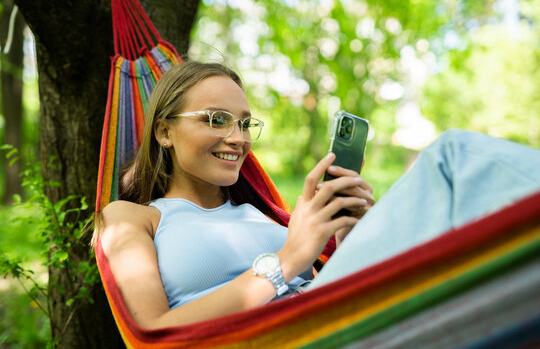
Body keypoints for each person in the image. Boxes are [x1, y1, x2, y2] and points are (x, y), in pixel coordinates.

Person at [94, 61, 540, 330]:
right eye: (215, 119)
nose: (237, 137)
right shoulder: (134, 218)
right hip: (290, 334)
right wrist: (286, 260)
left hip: (336, 319)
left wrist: (353, 241)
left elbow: (321, 285)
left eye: (245, 123)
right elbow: (152, 333)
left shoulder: (261, 216)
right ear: (165, 130)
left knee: (456, 191)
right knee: (453, 155)